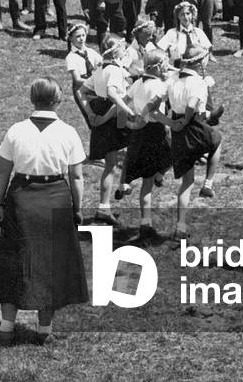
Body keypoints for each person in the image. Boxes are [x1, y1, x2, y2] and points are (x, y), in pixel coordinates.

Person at [0, 77, 88, 344]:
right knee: (51, 264)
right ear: (57, 100)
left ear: (32, 99)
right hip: (55, 198)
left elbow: (3, 172)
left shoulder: (16, 130)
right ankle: (44, 331)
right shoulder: (68, 132)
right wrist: (77, 208)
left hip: (20, 198)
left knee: (14, 260)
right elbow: (76, 177)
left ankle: (6, 327)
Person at [165, 46, 223, 239]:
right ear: (199, 62)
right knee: (217, 139)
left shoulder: (173, 79)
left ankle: (180, 227)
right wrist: (185, 121)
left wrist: (174, 123)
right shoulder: (198, 82)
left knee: (186, 181)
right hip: (193, 125)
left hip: (177, 129)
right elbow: (192, 107)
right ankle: (208, 182)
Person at [122, 49, 173, 241]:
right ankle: (146, 225)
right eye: (166, 64)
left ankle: (146, 223)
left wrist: (130, 120)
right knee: (175, 156)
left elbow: (125, 100)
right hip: (155, 131)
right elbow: (154, 106)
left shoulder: (136, 83)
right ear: (159, 67)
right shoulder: (159, 86)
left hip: (139, 133)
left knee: (147, 181)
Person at [87, 38, 136, 224]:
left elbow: (83, 91)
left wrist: (91, 113)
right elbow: (113, 94)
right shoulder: (114, 70)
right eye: (122, 49)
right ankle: (108, 203)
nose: (125, 51)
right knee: (114, 162)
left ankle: (106, 205)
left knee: (111, 163)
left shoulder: (99, 69)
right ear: (115, 53)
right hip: (113, 118)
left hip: (104, 114)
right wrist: (127, 109)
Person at [159, 1, 212, 65]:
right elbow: (160, 49)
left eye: (188, 13)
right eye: (182, 14)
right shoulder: (172, 33)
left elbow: (207, 50)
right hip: (177, 68)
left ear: (192, 15)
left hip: (197, 67)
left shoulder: (199, 32)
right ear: (178, 16)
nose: (186, 17)